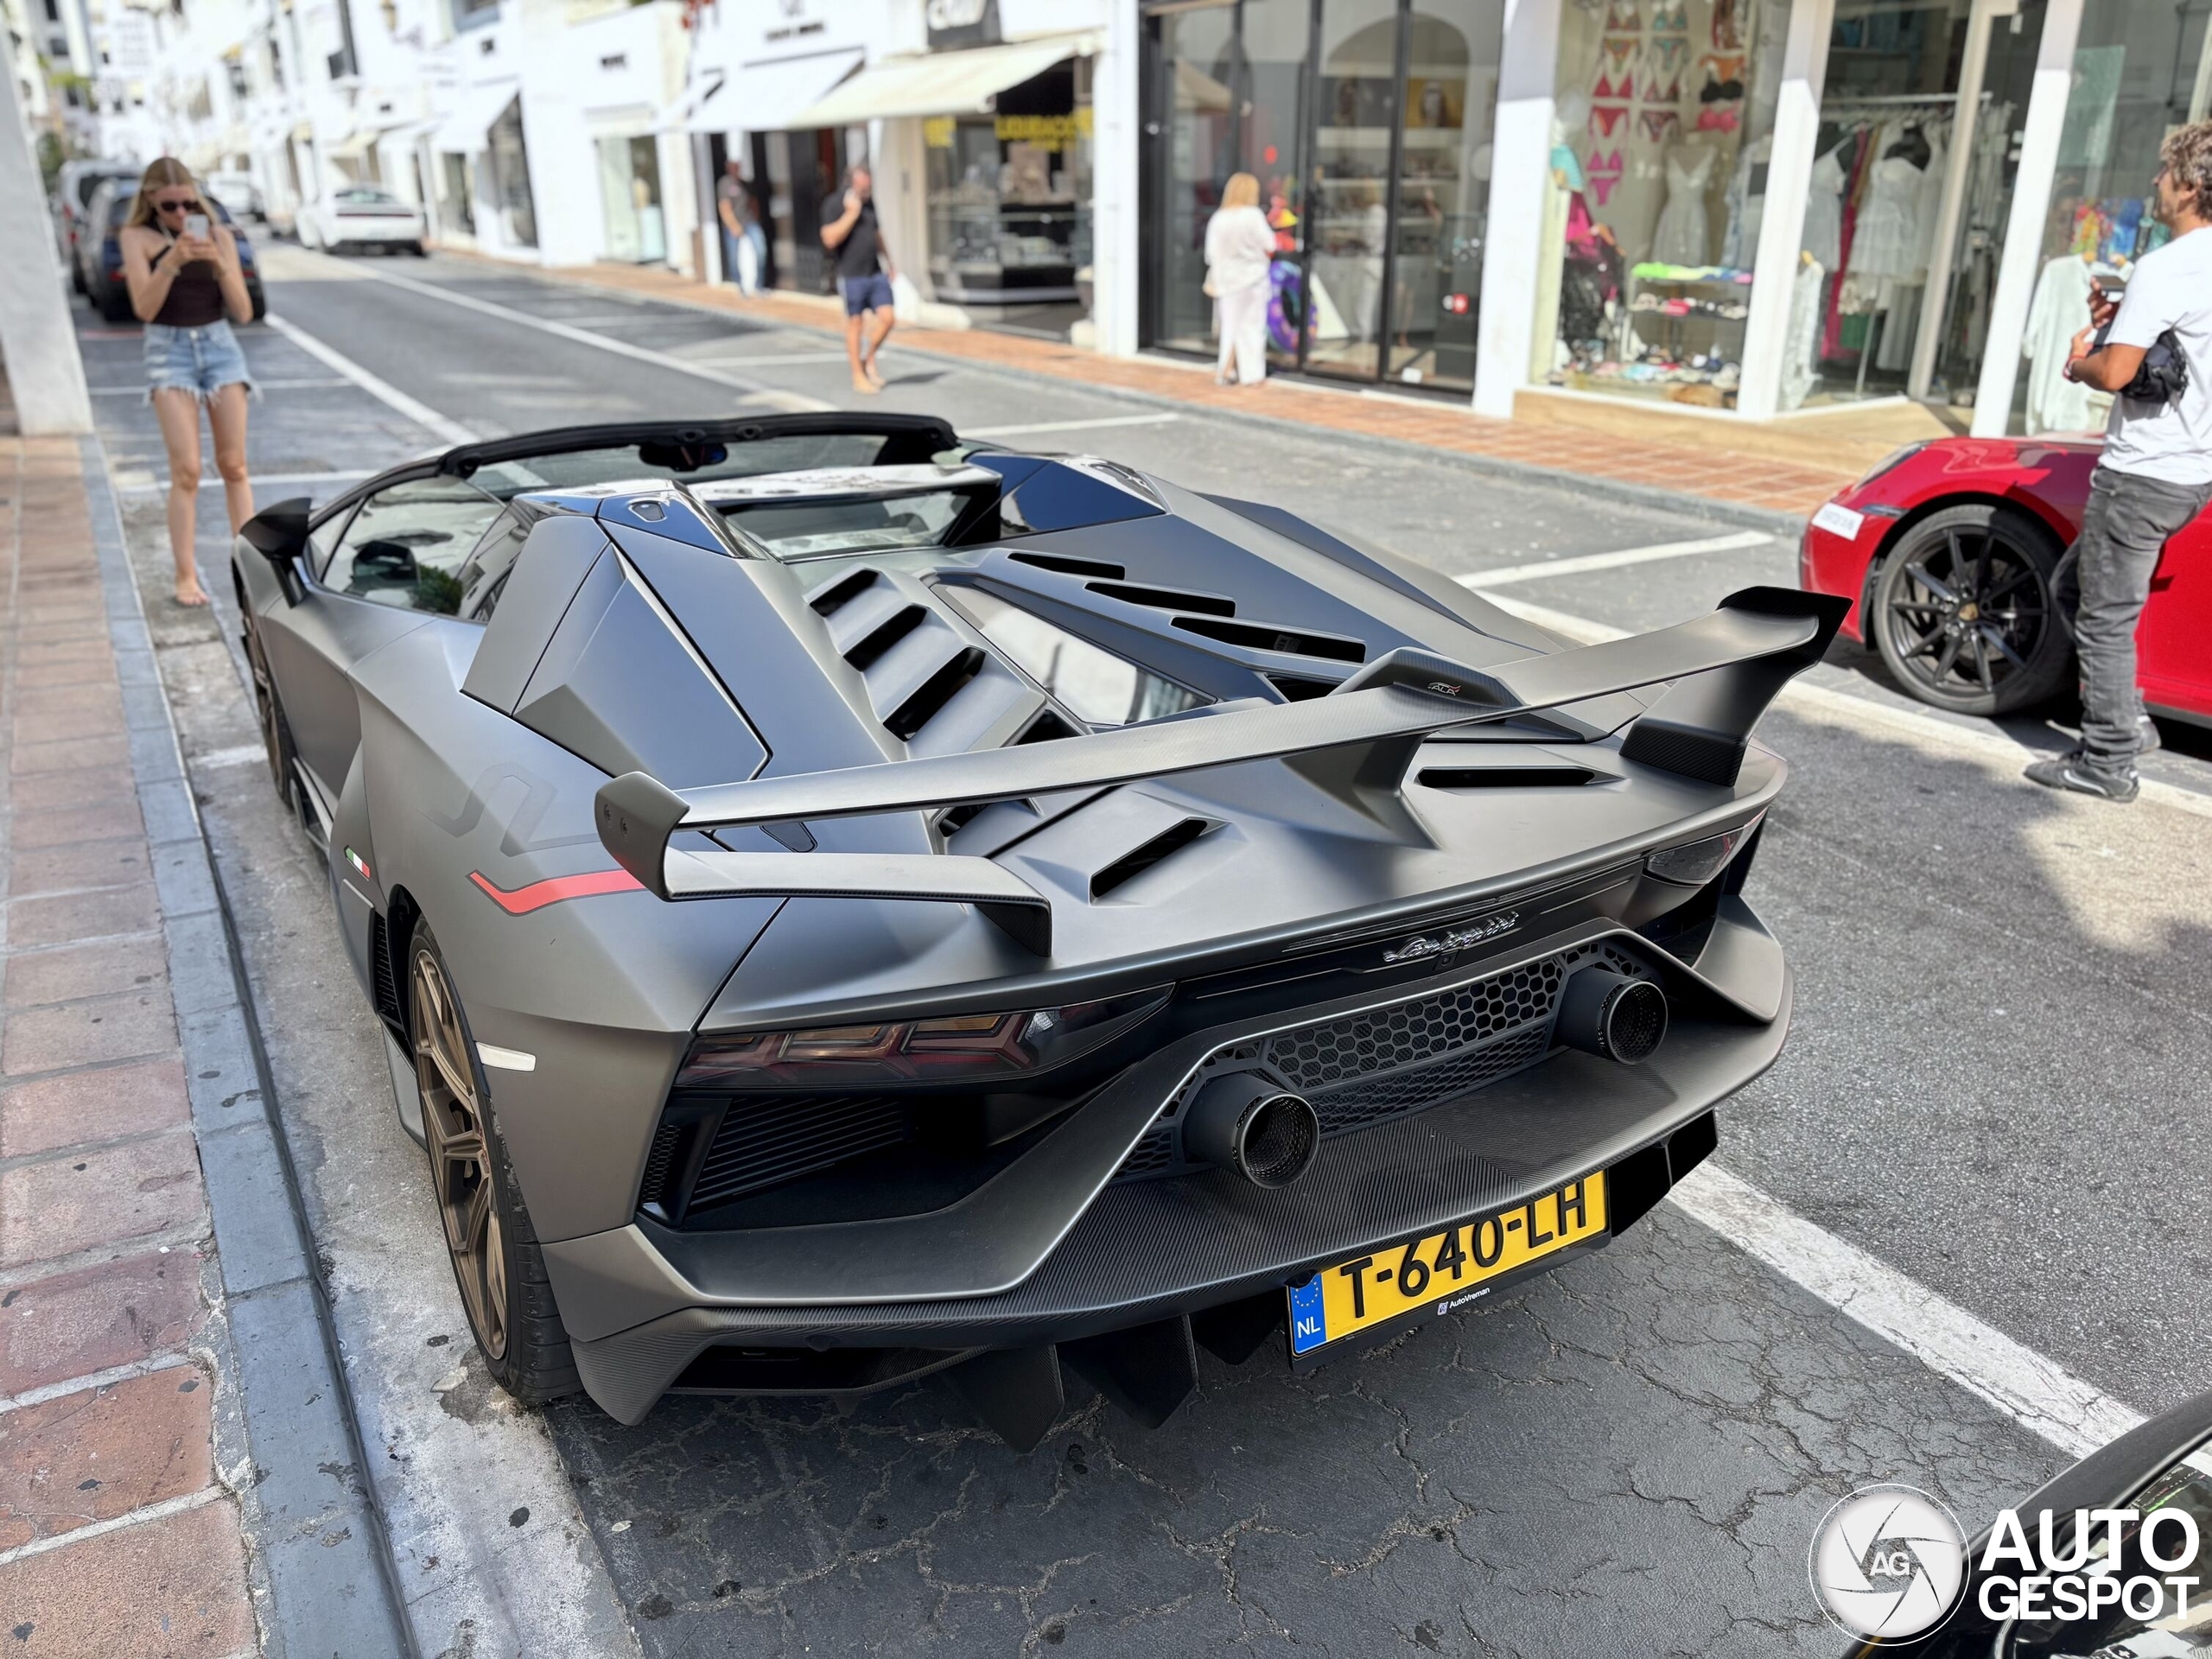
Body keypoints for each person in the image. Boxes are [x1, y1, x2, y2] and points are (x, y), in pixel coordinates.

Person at [2039, 122, 2212, 803]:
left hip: (2144, 471)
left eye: (2165, 173)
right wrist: (2121, 314)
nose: (2155, 182)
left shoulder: (2167, 266)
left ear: (2191, 186)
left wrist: (2078, 363)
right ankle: (2128, 719)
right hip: (2193, 473)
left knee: (2103, 615)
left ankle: (2108, 760)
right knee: (2073, 589)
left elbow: (2114, 373)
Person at [118, 158, 256, 607]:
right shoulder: (136, 237)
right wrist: (172, 261)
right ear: (151, 202)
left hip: (220, 347)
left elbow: (243, 312)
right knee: (187, 471)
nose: (181, 214)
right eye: (170, 206)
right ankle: (185, 575)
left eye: (189, 204)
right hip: (169, 352)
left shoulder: (219, 236)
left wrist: (219, 263)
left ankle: (250, 572)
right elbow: (145, 308)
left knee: (234, 465)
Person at [821, 163, 895, 394]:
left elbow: (876, 233)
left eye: (868, 187)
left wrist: (890, 262)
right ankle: (858, 376)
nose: (866, 191)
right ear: (850, 183)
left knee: (888, 318)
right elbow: (829, 239)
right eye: (862, 187)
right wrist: (851, 214)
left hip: (875, 271)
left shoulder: (869, 202)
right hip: (851, 274)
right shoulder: (834, 203)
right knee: (855, 323)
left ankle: (868, 357)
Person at [1205, 172, 1276, 386]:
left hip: (1226, 280)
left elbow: (1210, 253)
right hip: (1252, 278)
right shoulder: (1253, 215)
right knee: (1251, 327)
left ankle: (1226, 370)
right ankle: (1251, 374)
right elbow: (1270, 244)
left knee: (1230, 327)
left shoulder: (1219, 217)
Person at [716, 159, 763, 296]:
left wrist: (755, 217)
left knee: (761, 251)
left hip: (750, 221)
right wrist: (733, 225)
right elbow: (724, 206)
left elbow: (753, 202)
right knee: (734, 257)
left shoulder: (745, 184)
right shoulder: (724, 184)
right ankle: (740, 285)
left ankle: (759, 285)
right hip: (733, 225)